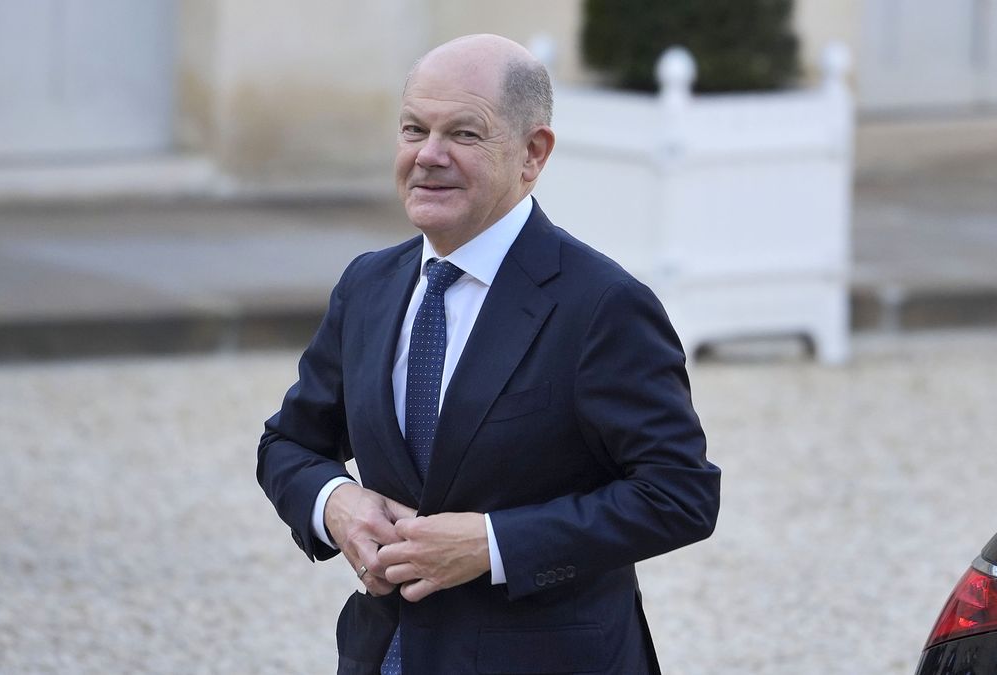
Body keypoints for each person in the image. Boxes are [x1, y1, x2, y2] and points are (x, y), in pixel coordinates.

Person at [257, 33, 720, 675]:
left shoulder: (601, 304)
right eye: (414, 129)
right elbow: (288, 443)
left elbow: (679, 494)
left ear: (533, 153)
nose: (429, 156)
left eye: (465, 135)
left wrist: (494, 544)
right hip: (385, 654)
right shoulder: (368, 285)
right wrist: (335, 501)